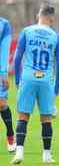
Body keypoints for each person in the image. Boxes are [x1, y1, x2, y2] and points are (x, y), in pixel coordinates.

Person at [11, 4, 59, 164]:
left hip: (28, 78)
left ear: (38, 15)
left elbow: (17, 57)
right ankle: (47, 156)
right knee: (46, 118)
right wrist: (57, 87)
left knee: (23, 116)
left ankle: (19, 152)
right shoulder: (56, 36)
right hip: (46, 80)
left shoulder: (27, 31)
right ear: (52, 18)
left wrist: (18, 79)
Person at [0, 17, 16, 152]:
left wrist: (3, 73)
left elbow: (4, 50)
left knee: (2, 104)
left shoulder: (4, 24)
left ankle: (10, 135)